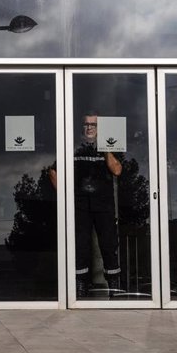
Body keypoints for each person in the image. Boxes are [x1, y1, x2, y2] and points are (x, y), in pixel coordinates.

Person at [49, 111, 122, 296]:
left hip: (103, 205)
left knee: (109, 244)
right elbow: (53, 171)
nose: (89, 127)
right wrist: (64, 195)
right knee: (80, 245)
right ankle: (80, 286)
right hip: (79, 205)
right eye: (86, 124)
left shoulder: (110, 145)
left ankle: (114, 285)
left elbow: (117, 170)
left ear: (99, 128)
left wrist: (105, 148)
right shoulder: (73, 146)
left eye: (94, 124)